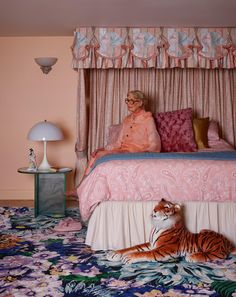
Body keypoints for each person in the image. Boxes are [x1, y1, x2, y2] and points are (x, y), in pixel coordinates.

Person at [84, 90, 161, 175]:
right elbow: (118, 142)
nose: (129, 103)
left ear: (140, 103)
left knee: (100, 155)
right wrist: (103, 148)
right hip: (123, 150)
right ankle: (82, 185)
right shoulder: (127, 119)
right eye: (127, 100)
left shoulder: (148, 119)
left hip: (136, 152)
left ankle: (83, 186)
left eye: (132, 100)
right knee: (95, 154)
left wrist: (146, 153)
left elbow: (154, 142)